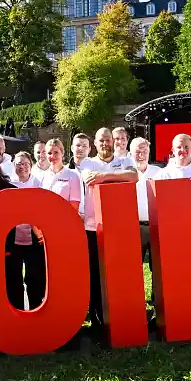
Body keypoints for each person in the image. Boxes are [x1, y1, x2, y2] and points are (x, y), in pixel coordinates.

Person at [76, 128, 139, 332]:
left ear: (113, 141)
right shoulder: (87, 162)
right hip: (94, 228)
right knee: (95, 274)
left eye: (108, 140)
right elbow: (90, 179)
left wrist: (104, 176)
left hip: (119, 228)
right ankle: (97, 318)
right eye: (101, 140)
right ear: (95, 143)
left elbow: (133, 176)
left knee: (117, 273)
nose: (105, 144)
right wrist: (115, 177)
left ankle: (120, 314)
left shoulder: (125, 160)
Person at [8, 151, 45, 310]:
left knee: (34, 277)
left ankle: (36, 308)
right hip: (13, 239)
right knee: (13, 277)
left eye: (25, 164)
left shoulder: (38, 183)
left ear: (31, 166)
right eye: (18, 164)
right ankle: (17, 310)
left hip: (33, 238)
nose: (22, 167)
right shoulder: (8, 184)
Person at [130, 137, 162, 262]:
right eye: (137, 152)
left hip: (156, 226)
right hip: (134, 228)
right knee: (133, 265)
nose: (141, 155)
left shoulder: (159, 173)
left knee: (159, 266)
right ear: (130, 153)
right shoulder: (124, 173)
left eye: (144, 151)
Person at [39, 138, 82, 212]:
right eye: (49, 153)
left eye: (56, 152)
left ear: (62, 153)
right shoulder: (42, 176)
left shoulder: (72, 176)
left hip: (65, 220)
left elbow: (74, 206)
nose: (52, 156)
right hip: (46, 220)